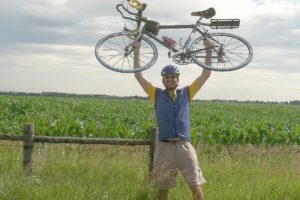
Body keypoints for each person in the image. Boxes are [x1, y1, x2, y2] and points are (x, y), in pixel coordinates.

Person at [133, 39, 212, 200]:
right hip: (164, 147)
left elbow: (205, 74)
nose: (170, 79)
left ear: (177, 79)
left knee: (195, 186)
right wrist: (137, 49)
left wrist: (208, 50)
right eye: (167, 77)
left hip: (184, 147)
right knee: (163, 189)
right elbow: (138, 74)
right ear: (163, 80)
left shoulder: (187, 93)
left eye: (173, 77)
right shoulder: (155, 94)